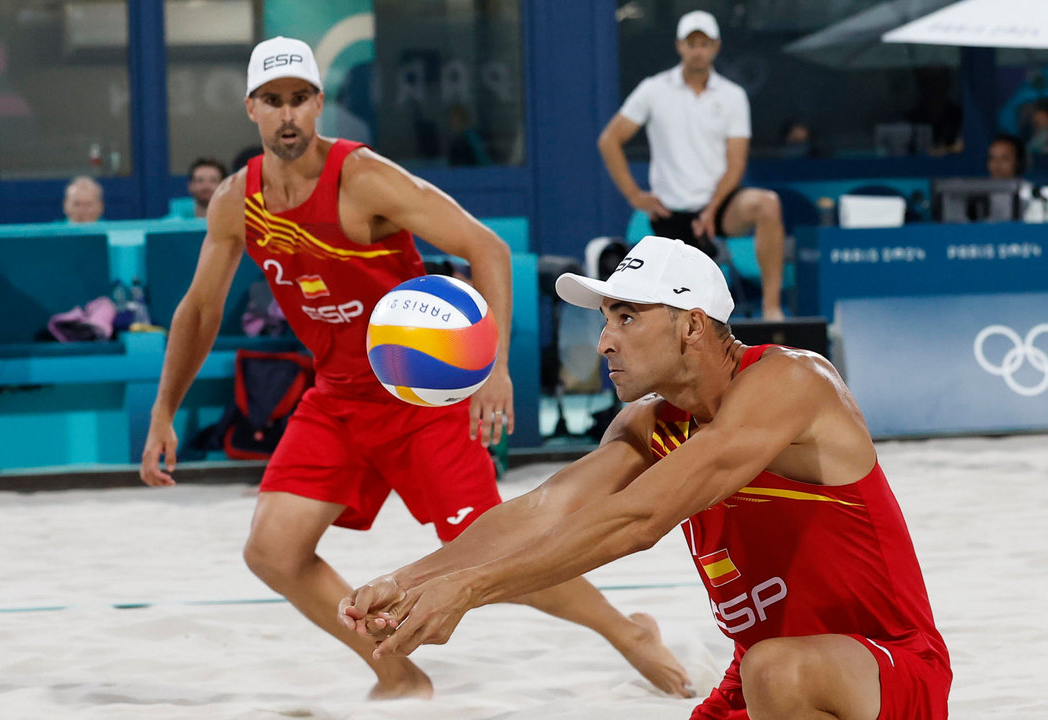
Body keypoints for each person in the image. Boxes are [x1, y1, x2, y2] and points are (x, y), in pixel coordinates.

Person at [139, 36, 690, 700]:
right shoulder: (236, 203)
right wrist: (163, 410)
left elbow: (484, 246)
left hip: (419, 397)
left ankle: (626, 631)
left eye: (298, 100)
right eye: (272, 101)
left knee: (496, 554)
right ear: (250, 108)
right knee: (272, 552)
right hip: (337, 398)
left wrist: (493, 369)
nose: (287, 116)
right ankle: (395, 671)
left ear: (318, 103)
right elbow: (198, 311)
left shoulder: (363, 178)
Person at [341, 235, 952, 719]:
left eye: (627, 318)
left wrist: (471, 591)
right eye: (605, 319)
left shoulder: (791, 382)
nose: (604, 341)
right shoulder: (645, 423)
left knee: (776, 669)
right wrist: (408, 580)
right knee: (765, 668)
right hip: (757, 679)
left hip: (886, 670)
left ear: (690, 324)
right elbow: (546, 510)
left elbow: (640, 519)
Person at [598, 10, 786, 321]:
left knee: (768, 204)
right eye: (692, 43)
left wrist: (711, 210)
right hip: (671, 213)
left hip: (719, 205)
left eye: (704, 43)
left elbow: (736, 163)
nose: (698, 49)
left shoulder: (733, 95)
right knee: (675, 312)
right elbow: (609, 140)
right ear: (679, 46)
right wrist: (635, 195)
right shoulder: (654, 89)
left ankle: (771, 309)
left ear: (716, 47)